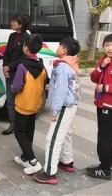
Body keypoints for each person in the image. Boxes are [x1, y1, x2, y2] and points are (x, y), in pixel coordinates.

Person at [34, 37, 81, 185]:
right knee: (65, 134)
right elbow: (65, 86)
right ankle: (67, 162)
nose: (58, 48)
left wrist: (54, 112)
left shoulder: (62, 67)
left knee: (53, 138)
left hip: (64, 106)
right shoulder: (71, 64)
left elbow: (61, 92)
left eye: (60, 46)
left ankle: (50, 173)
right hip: (71, 104)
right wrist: (52, 87)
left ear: (64, 50)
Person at [11, 34, 47, 175]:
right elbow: (45, 83)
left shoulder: (22, 66)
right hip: (36, 104)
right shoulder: (41, 65)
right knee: (29, 131)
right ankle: (25, 157)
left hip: (23, 105)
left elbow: (16, 87)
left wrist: (14, 86)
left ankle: (33, 161)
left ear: (26, 48)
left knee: (19, 132)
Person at [85, 33, 112, 180]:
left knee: (104, 138)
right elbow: (93, 77)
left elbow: (105, 85)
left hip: (110, 107)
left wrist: (105, 88)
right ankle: (109, 163)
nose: (110, 48)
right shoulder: (104, 61)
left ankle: (104, 169)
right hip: (102, 105)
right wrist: (101, 66)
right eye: (107, 45)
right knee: (107, 137)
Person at [2, 13, 30, 135]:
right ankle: (12, 123)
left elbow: (24, 57)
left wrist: (10, 66)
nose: (11, 22)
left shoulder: (27, 37)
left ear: (21, 24)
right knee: (10, 99)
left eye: (14, 21)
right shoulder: (12, 36)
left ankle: (21, 124)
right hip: (9, 72)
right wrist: (5, 67)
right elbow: (6, 53)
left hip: (20, 72)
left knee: (21, 99)